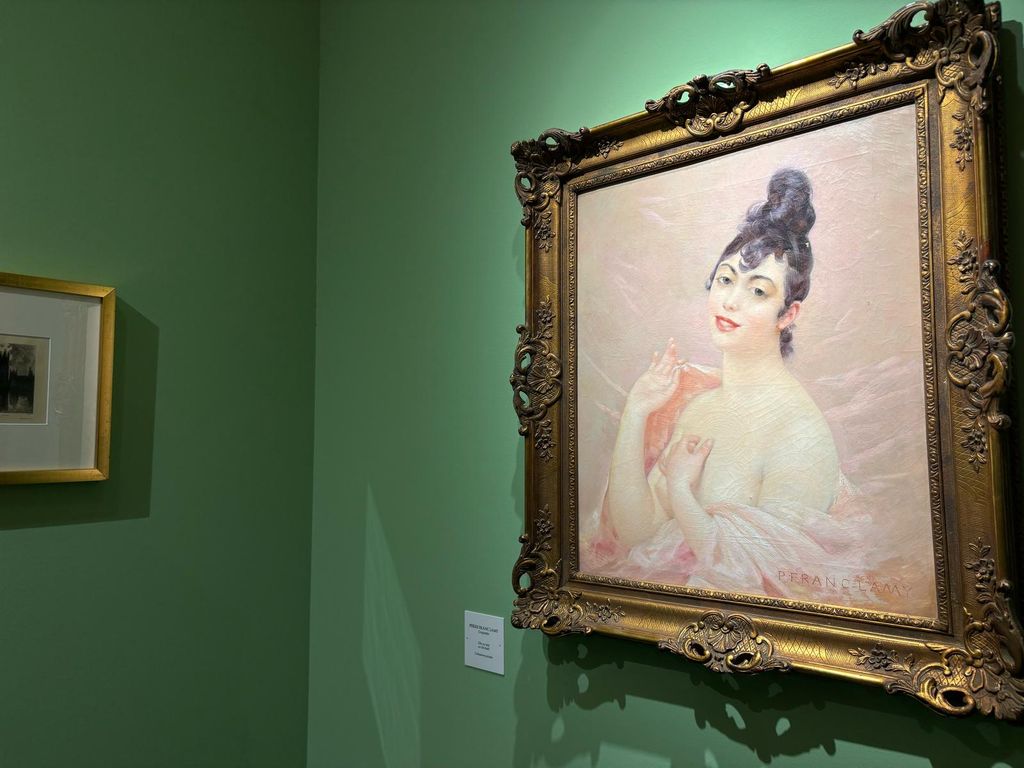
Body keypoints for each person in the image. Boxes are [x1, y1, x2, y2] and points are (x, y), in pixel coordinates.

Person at [590, 169, 874, 605]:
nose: (730, 301)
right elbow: (637, 533)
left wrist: (681, 491)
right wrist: (637, 410)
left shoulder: (799, 432)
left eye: (758, 291)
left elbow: (760, 577)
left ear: (788, 314)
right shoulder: (700, 408)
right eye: (725, 280)